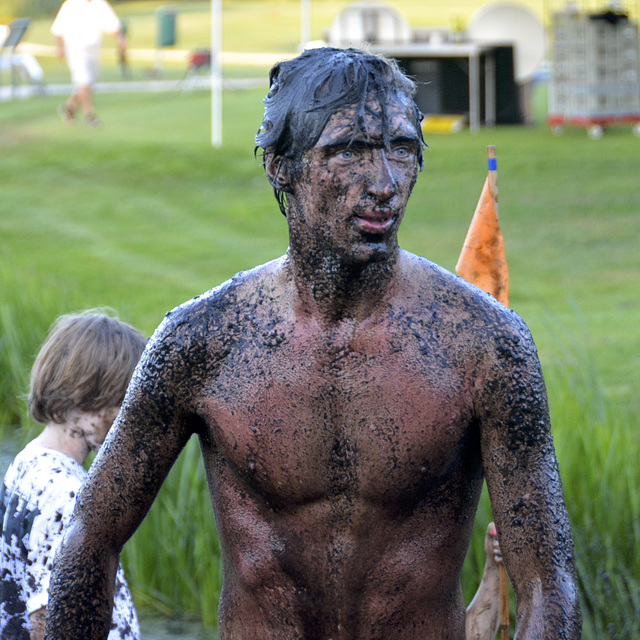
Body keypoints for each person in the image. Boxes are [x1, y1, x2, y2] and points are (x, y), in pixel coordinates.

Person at [45, 48, 581, 639]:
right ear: (281, 165)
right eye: (348, 150)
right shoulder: (205, 342)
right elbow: (88, 540)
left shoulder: (484, 345)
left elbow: (546, 585)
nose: (383, 183)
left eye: (401, 149)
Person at [0, 311, 145, 640]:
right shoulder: (66, 495)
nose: (133, 420)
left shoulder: (28, 462)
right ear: (88, 401)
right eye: (127, 402)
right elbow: (47, 619)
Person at [51, 0, 127, 127]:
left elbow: (112, 25)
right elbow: (58, 29)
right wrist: (60, 47)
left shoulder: (100, 4)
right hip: (76, 48)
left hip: (93, 49)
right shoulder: (71, 5)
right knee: (84, 81)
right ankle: (90, 117)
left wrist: (120, 39)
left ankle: (69, 107)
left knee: (89, 83)